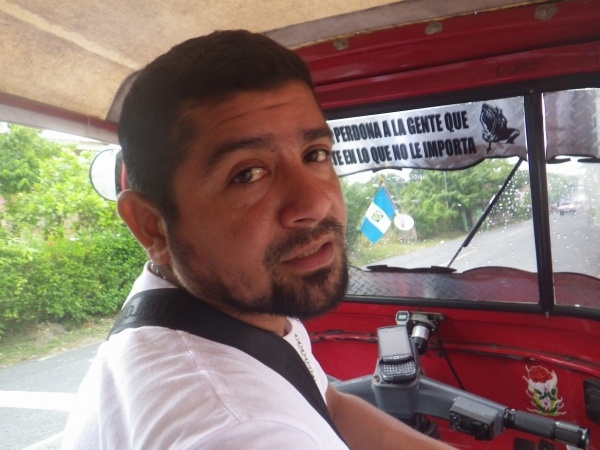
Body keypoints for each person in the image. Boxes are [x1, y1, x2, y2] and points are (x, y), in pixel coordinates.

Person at [61, 30, 454, 449]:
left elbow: (328, 403)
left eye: (315, 154)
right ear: (152, 226)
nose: (316, 202)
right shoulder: (235, 429)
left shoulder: (226, 306)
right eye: (248, 174)